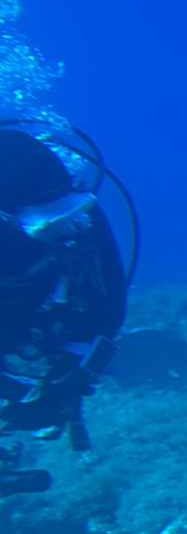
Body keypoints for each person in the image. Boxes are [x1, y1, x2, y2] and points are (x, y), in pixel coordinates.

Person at [0, 125, 129, 493]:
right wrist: (13, 389)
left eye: (66, 215)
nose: (63, 233)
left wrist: (69, 379)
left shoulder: (80, 218)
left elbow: (106, 311)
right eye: (44, 225)